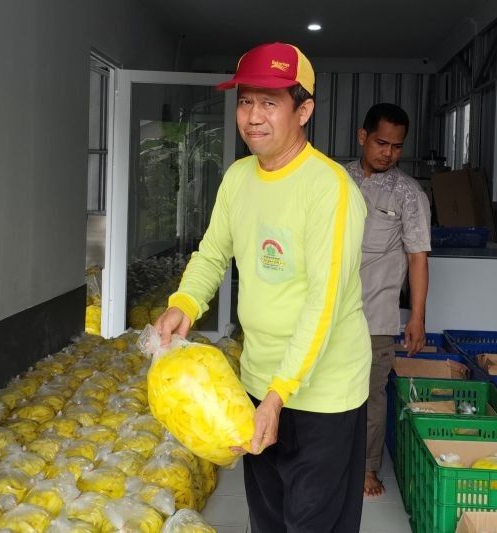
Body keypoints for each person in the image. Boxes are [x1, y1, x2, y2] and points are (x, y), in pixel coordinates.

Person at [154, 42, 371, 532]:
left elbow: (324, 303)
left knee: (313, 523)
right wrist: (184, 304)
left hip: (323, 394)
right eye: (246, 101)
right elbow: (212, 253)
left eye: (270, 103)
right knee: (268, 518)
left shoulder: (330, 189)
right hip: (256, 383)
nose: (253, 117)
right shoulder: (238, 178)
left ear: (305, 110)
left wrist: (280, 394)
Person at [344, 103, 431, 497]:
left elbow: (417, 258)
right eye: (381, 143)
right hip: (327, 314)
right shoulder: (335, 180)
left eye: (397, 147)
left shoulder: (409, 195)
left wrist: (417, 317)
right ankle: (325, 460)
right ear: (363, 137)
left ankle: (365, 468)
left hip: (376, 318)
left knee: (371, 395)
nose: (388, 153)